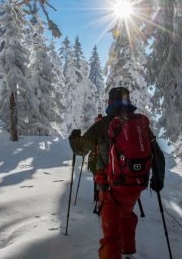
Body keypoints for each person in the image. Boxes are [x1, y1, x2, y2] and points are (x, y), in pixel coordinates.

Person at [69, 87, 165, 259]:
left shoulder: (103, 125)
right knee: (126, 215)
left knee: (111, 232)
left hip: (110, 187)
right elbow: (157, 154)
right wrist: (158, 179)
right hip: (135, 185)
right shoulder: (139, 124)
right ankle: (128, 253)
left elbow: (80, 149)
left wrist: (73, 137)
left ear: (110, 103)